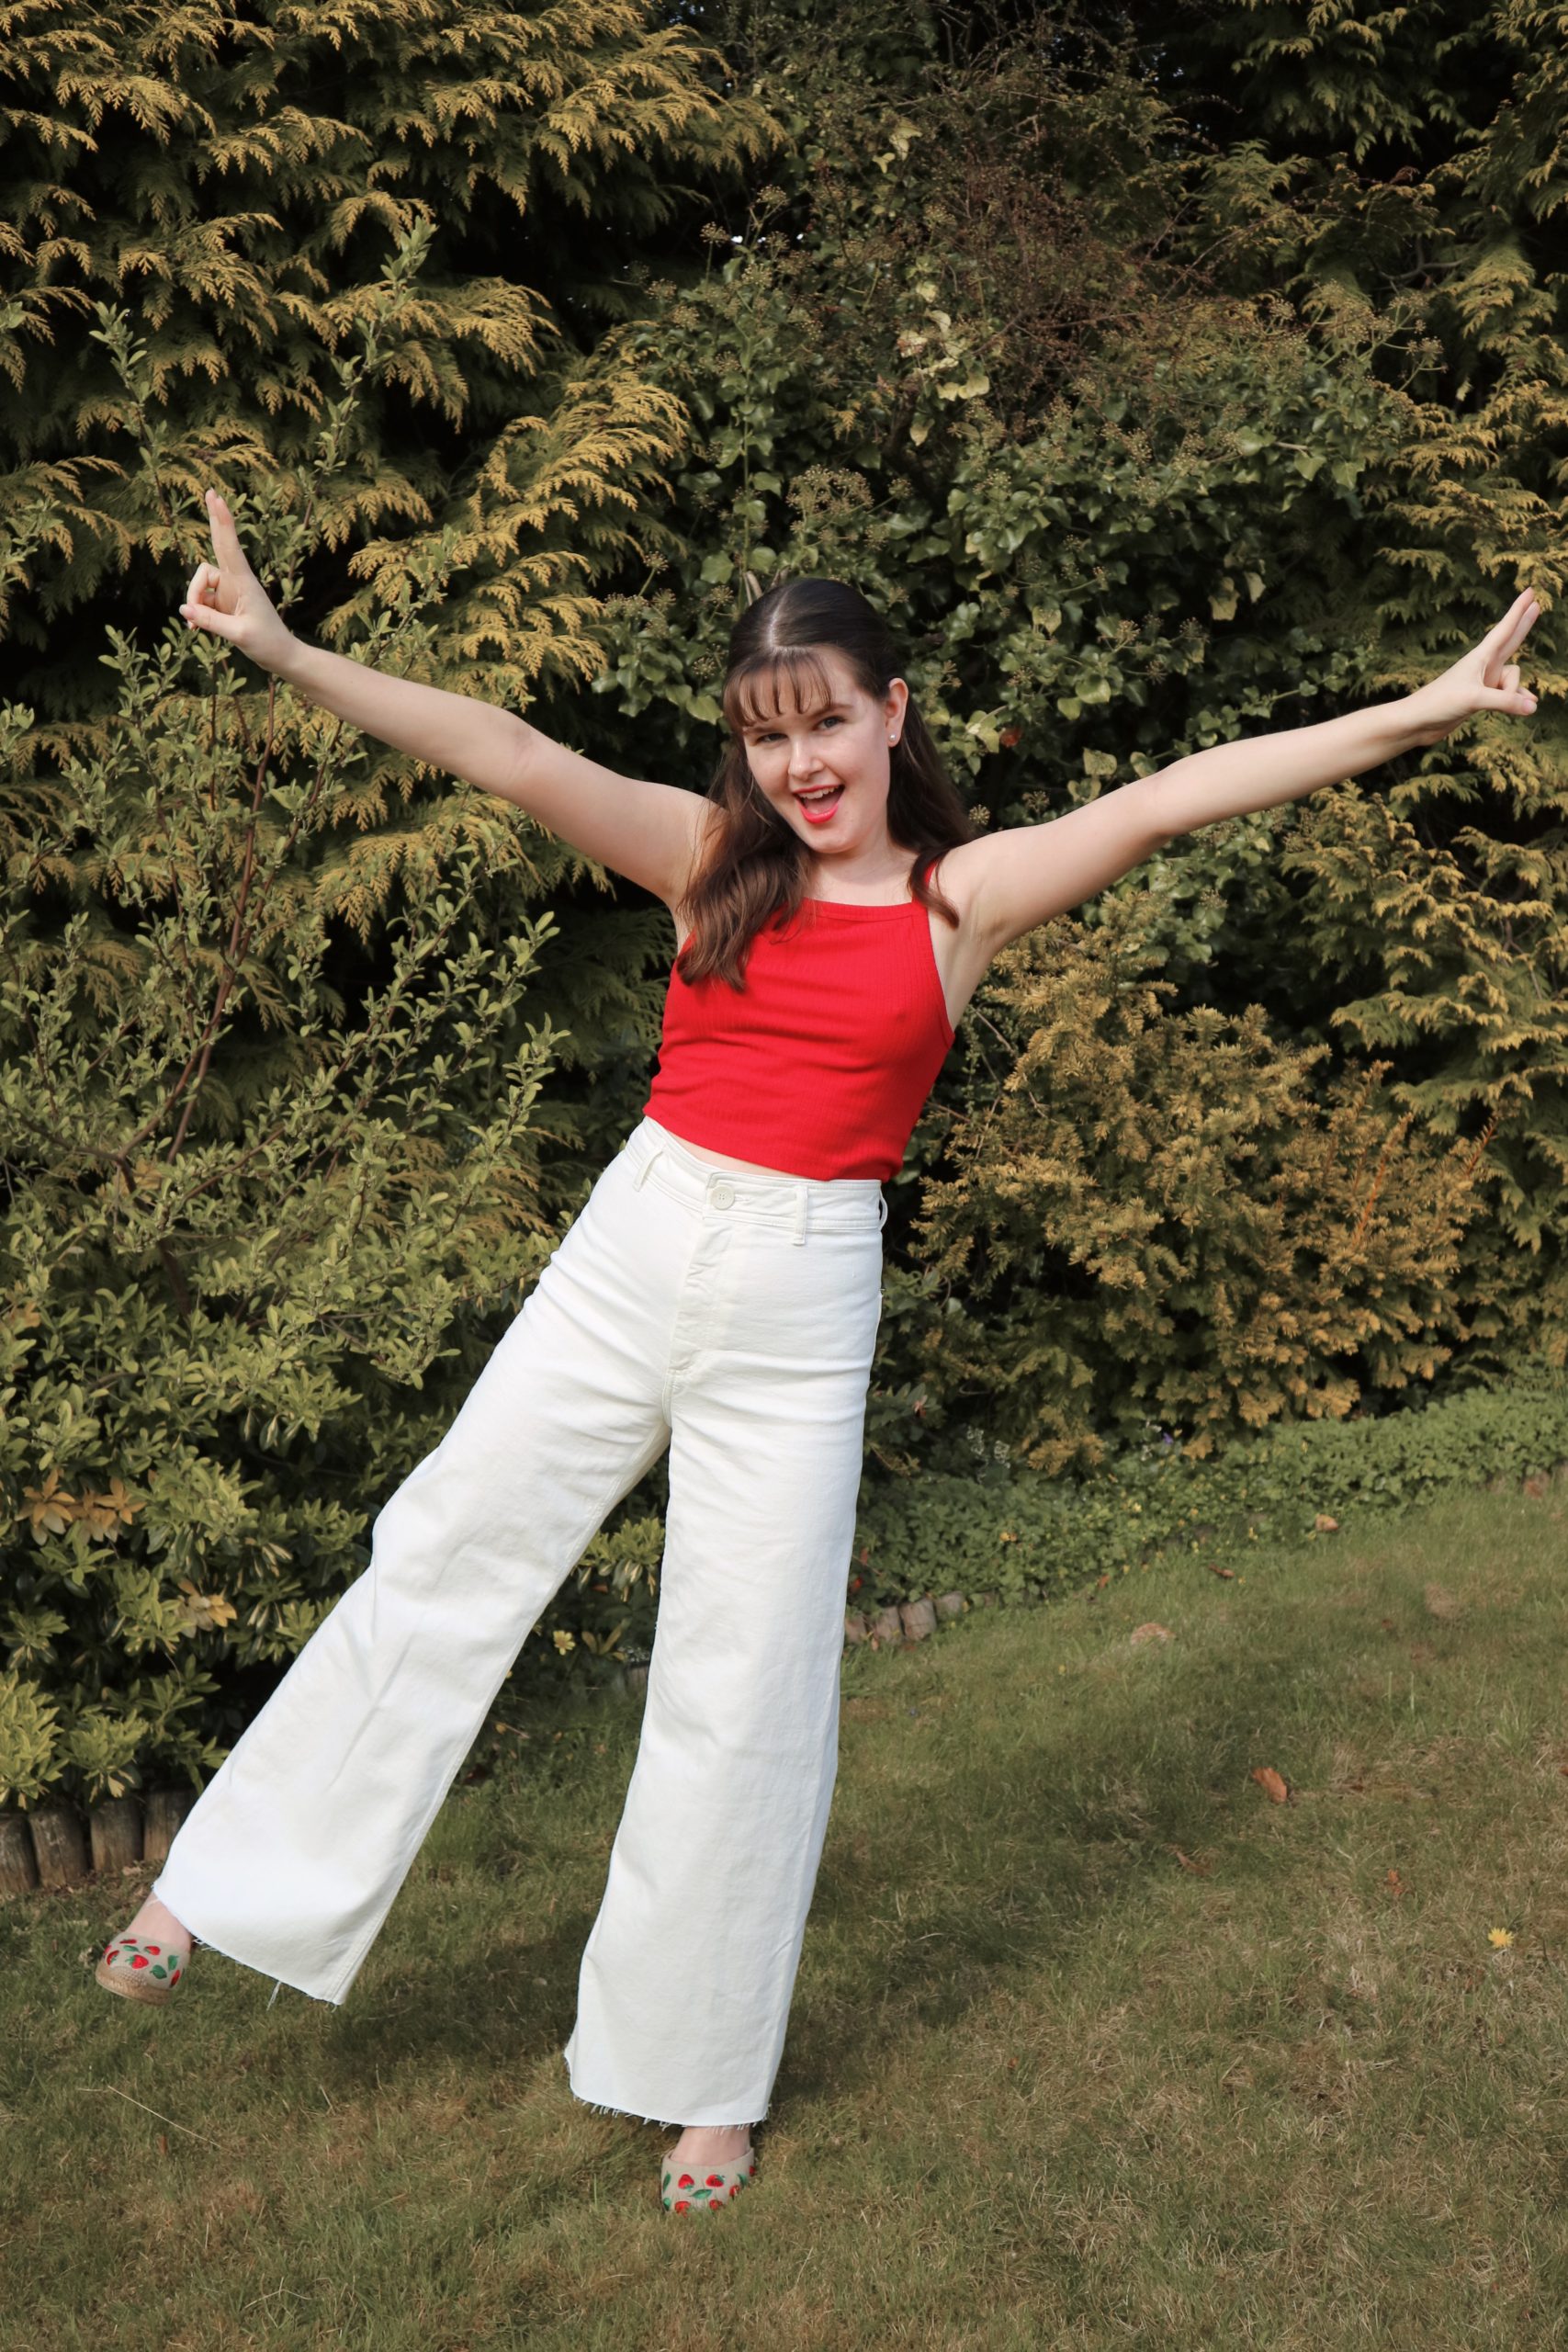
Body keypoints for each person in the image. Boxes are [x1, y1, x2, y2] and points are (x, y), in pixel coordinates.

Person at [96, 489, 1541, 2213]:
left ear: (891, 715)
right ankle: (223, 1886)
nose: (800, 764)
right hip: (636, 1244)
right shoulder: (708, 863)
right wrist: (281, 647)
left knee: (745, 1682)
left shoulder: (961, 903)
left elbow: (1179, 792)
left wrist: (1428, 707)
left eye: (828, 722)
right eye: (766, 735)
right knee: (449, 1548)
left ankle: (700, 2077)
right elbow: (497, 745)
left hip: (800, 1298)